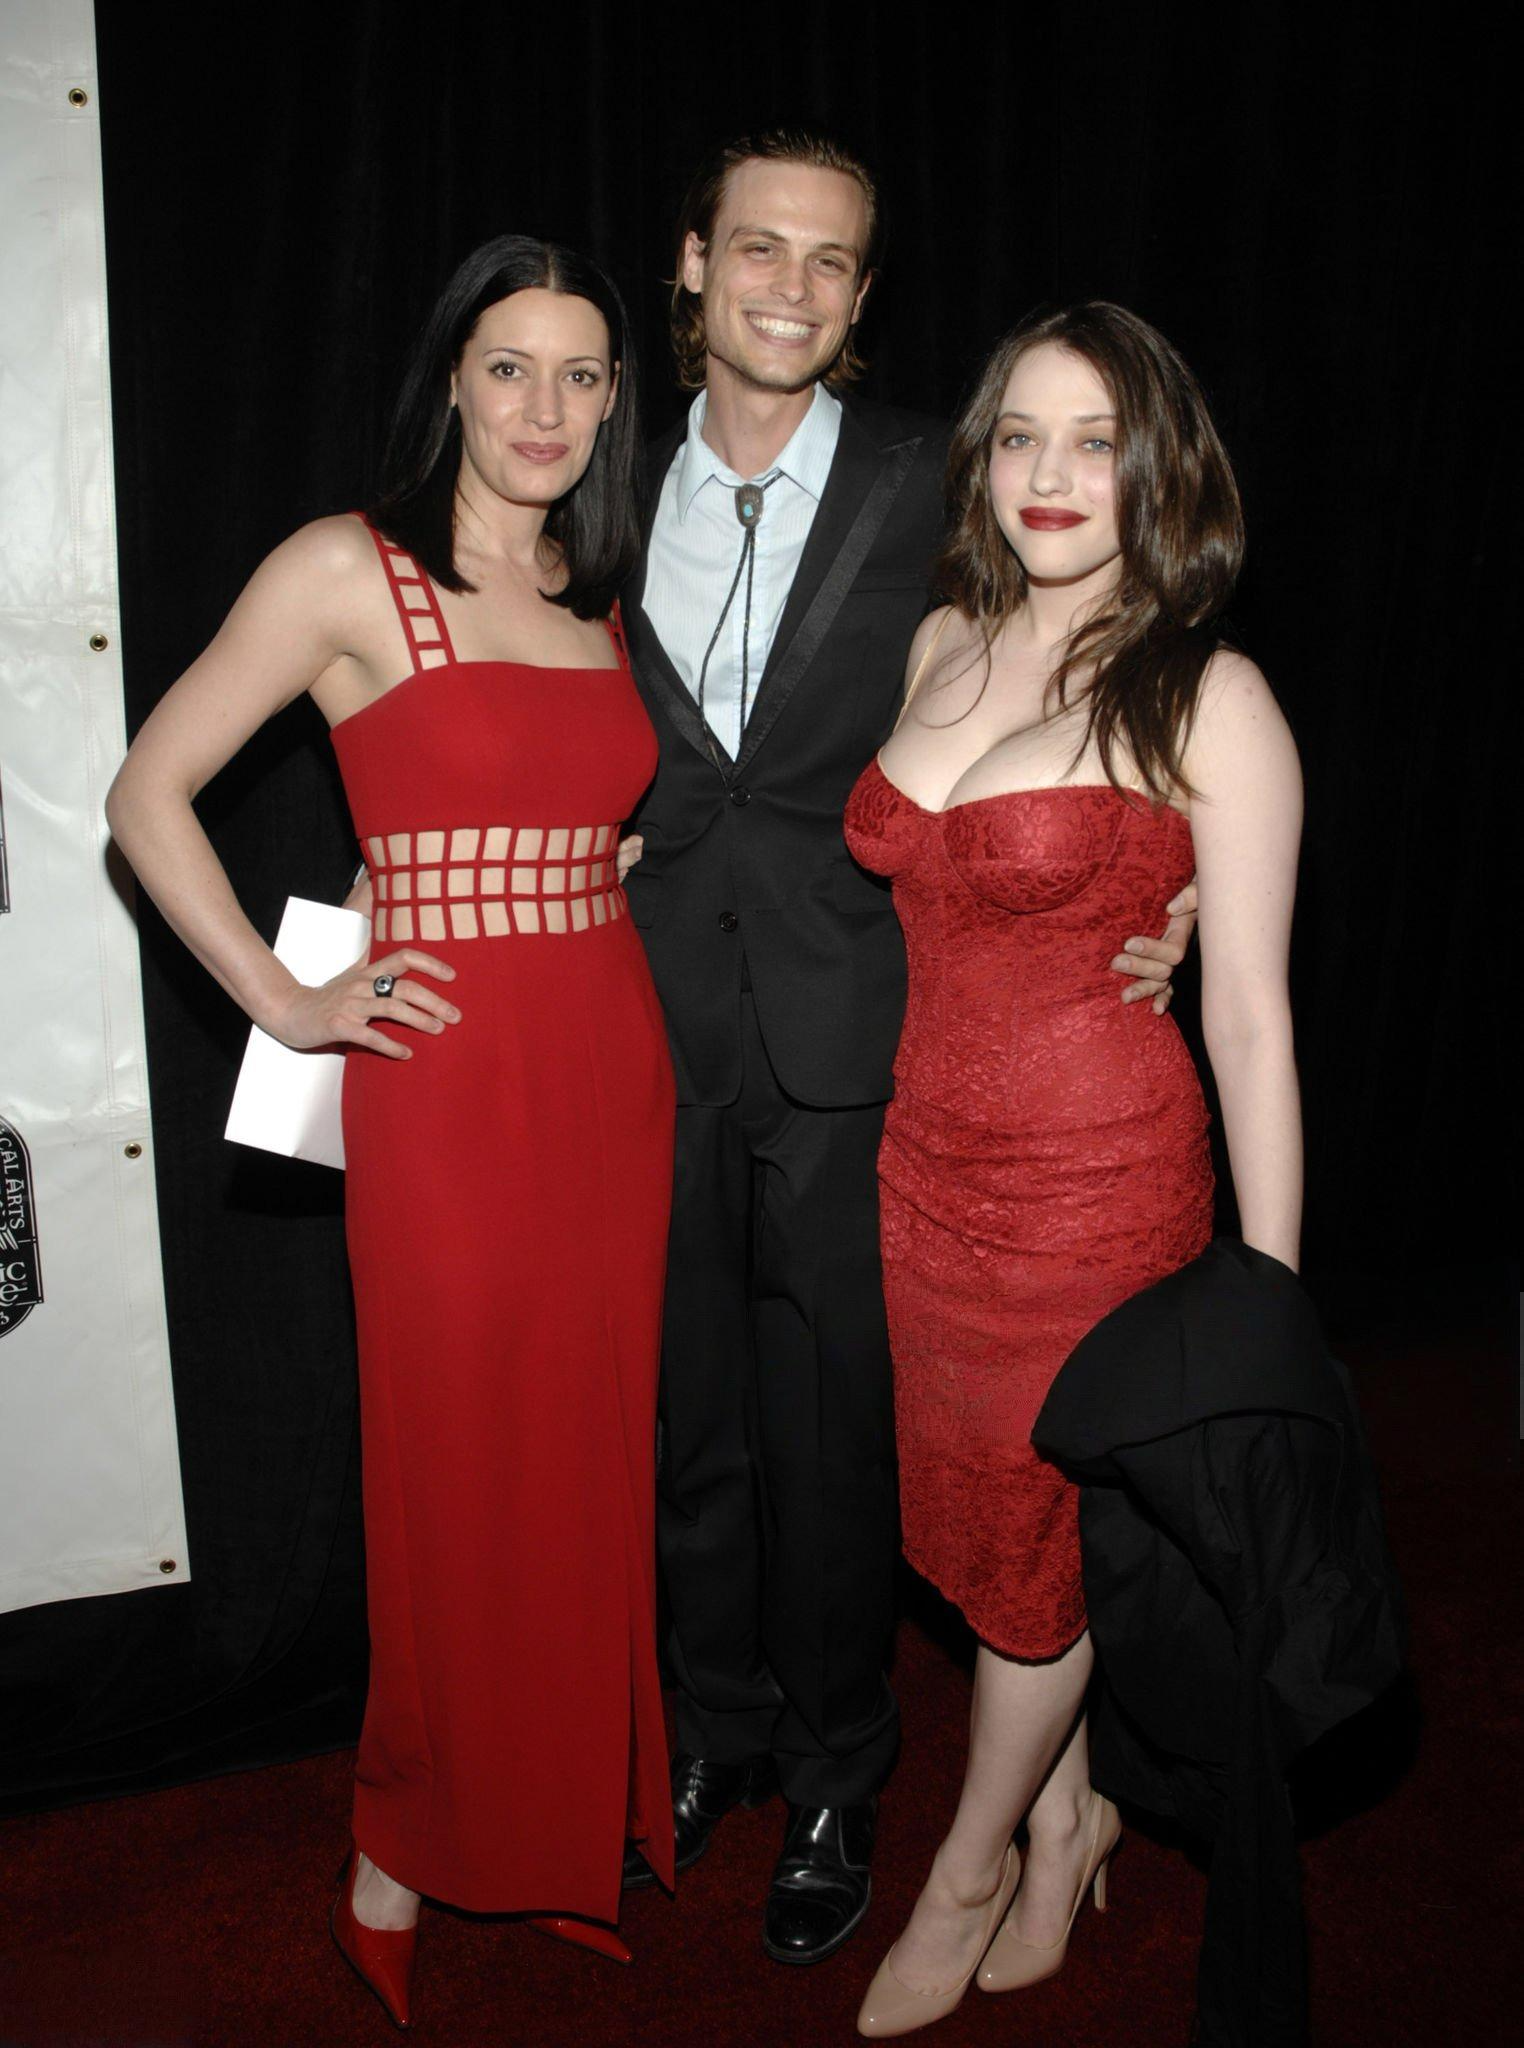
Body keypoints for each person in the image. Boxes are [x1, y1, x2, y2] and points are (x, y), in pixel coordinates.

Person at [617, 130, 1194, 1965]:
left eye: (831, 261)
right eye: (757, 248)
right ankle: (710, 1726)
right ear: (692, 262)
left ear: (864, 295)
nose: (789, 287)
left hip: (866, 1045)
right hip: (639, 1025)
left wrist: (1165, 881)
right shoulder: (595, 472)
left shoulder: (937, 479)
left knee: (835, 1435)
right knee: (686, 1415)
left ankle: (837, 1772)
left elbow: (1093, 670)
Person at [104, 236, 674, 2029]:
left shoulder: (592, 589)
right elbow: (145, 792)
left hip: (610, 1069)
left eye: (582, 374)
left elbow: (563, 801)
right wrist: (285, 1003)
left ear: (615, 402)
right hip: (447, 1087)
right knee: (452, 1476)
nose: (545, 408)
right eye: (510, 367)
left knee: (585, 1462)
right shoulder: (348, 567)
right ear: (451, 379)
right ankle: (398, 1854)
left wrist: (584, 849)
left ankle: (556, 1825)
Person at [844, 301, 1302, 2036]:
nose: (1050, 474)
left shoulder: (1208, 692)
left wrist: (1266, 1302)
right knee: (982, 1531)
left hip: (1097, 1193)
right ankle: (1068, 1818)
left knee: (1037, 1553)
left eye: (1097, 441)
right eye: (1021, 435)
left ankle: (967, 1863)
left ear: (1157, 468)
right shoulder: (940, 640)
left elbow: (1249, 1016)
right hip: (922, 1180)